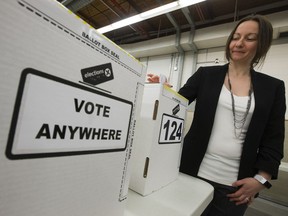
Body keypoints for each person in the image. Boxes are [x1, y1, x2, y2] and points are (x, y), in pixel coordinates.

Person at [147, 14, 286, 216]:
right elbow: (175, 104)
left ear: (261, 44)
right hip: (190, 173)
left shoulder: (272, 87)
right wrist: (163, 91)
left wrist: (261, 181)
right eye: (236, 37)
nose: (238, 43)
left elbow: (274, 139)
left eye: (249, 38)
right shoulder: (206, 75)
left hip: (236, 187)